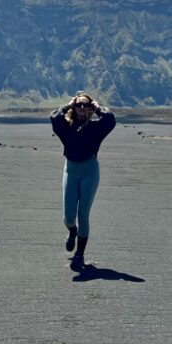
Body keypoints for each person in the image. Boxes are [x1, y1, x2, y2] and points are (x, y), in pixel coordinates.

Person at [50, 92, 116, 268]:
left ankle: (80, 254)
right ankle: (72, 231)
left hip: (90, 171)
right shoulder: (66, 126)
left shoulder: (96, 127)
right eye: (78, 105)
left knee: (83, 214)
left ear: (89, 108)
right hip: (71, 170)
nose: (81, 108)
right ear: (74, 107)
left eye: (85, 105)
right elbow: (53, 116)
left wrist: (97, 106)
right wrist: (68, 104)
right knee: (69, 217)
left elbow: (111, 119)